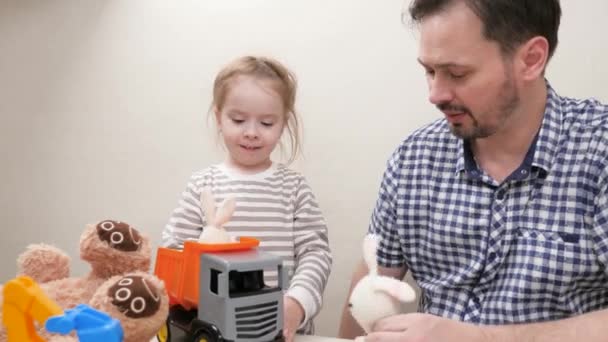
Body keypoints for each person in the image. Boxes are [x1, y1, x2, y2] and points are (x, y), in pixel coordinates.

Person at [339, 1, 608, 341]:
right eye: (429, 71)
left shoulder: (599, 151)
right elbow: (372, 279)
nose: (435, 94)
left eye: (457, 73)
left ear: (531, 59)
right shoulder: (414, 158)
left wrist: (482, 338)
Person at [161, 55, 332, 342]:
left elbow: (316, 254)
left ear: (283, 123)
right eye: (238, 120)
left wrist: (297, 303)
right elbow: (174, 248)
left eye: (266, 123)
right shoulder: (202, 184)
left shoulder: (294, 187)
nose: (251, 133)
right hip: (213, 325)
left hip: (280, 330)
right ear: (219, 118)